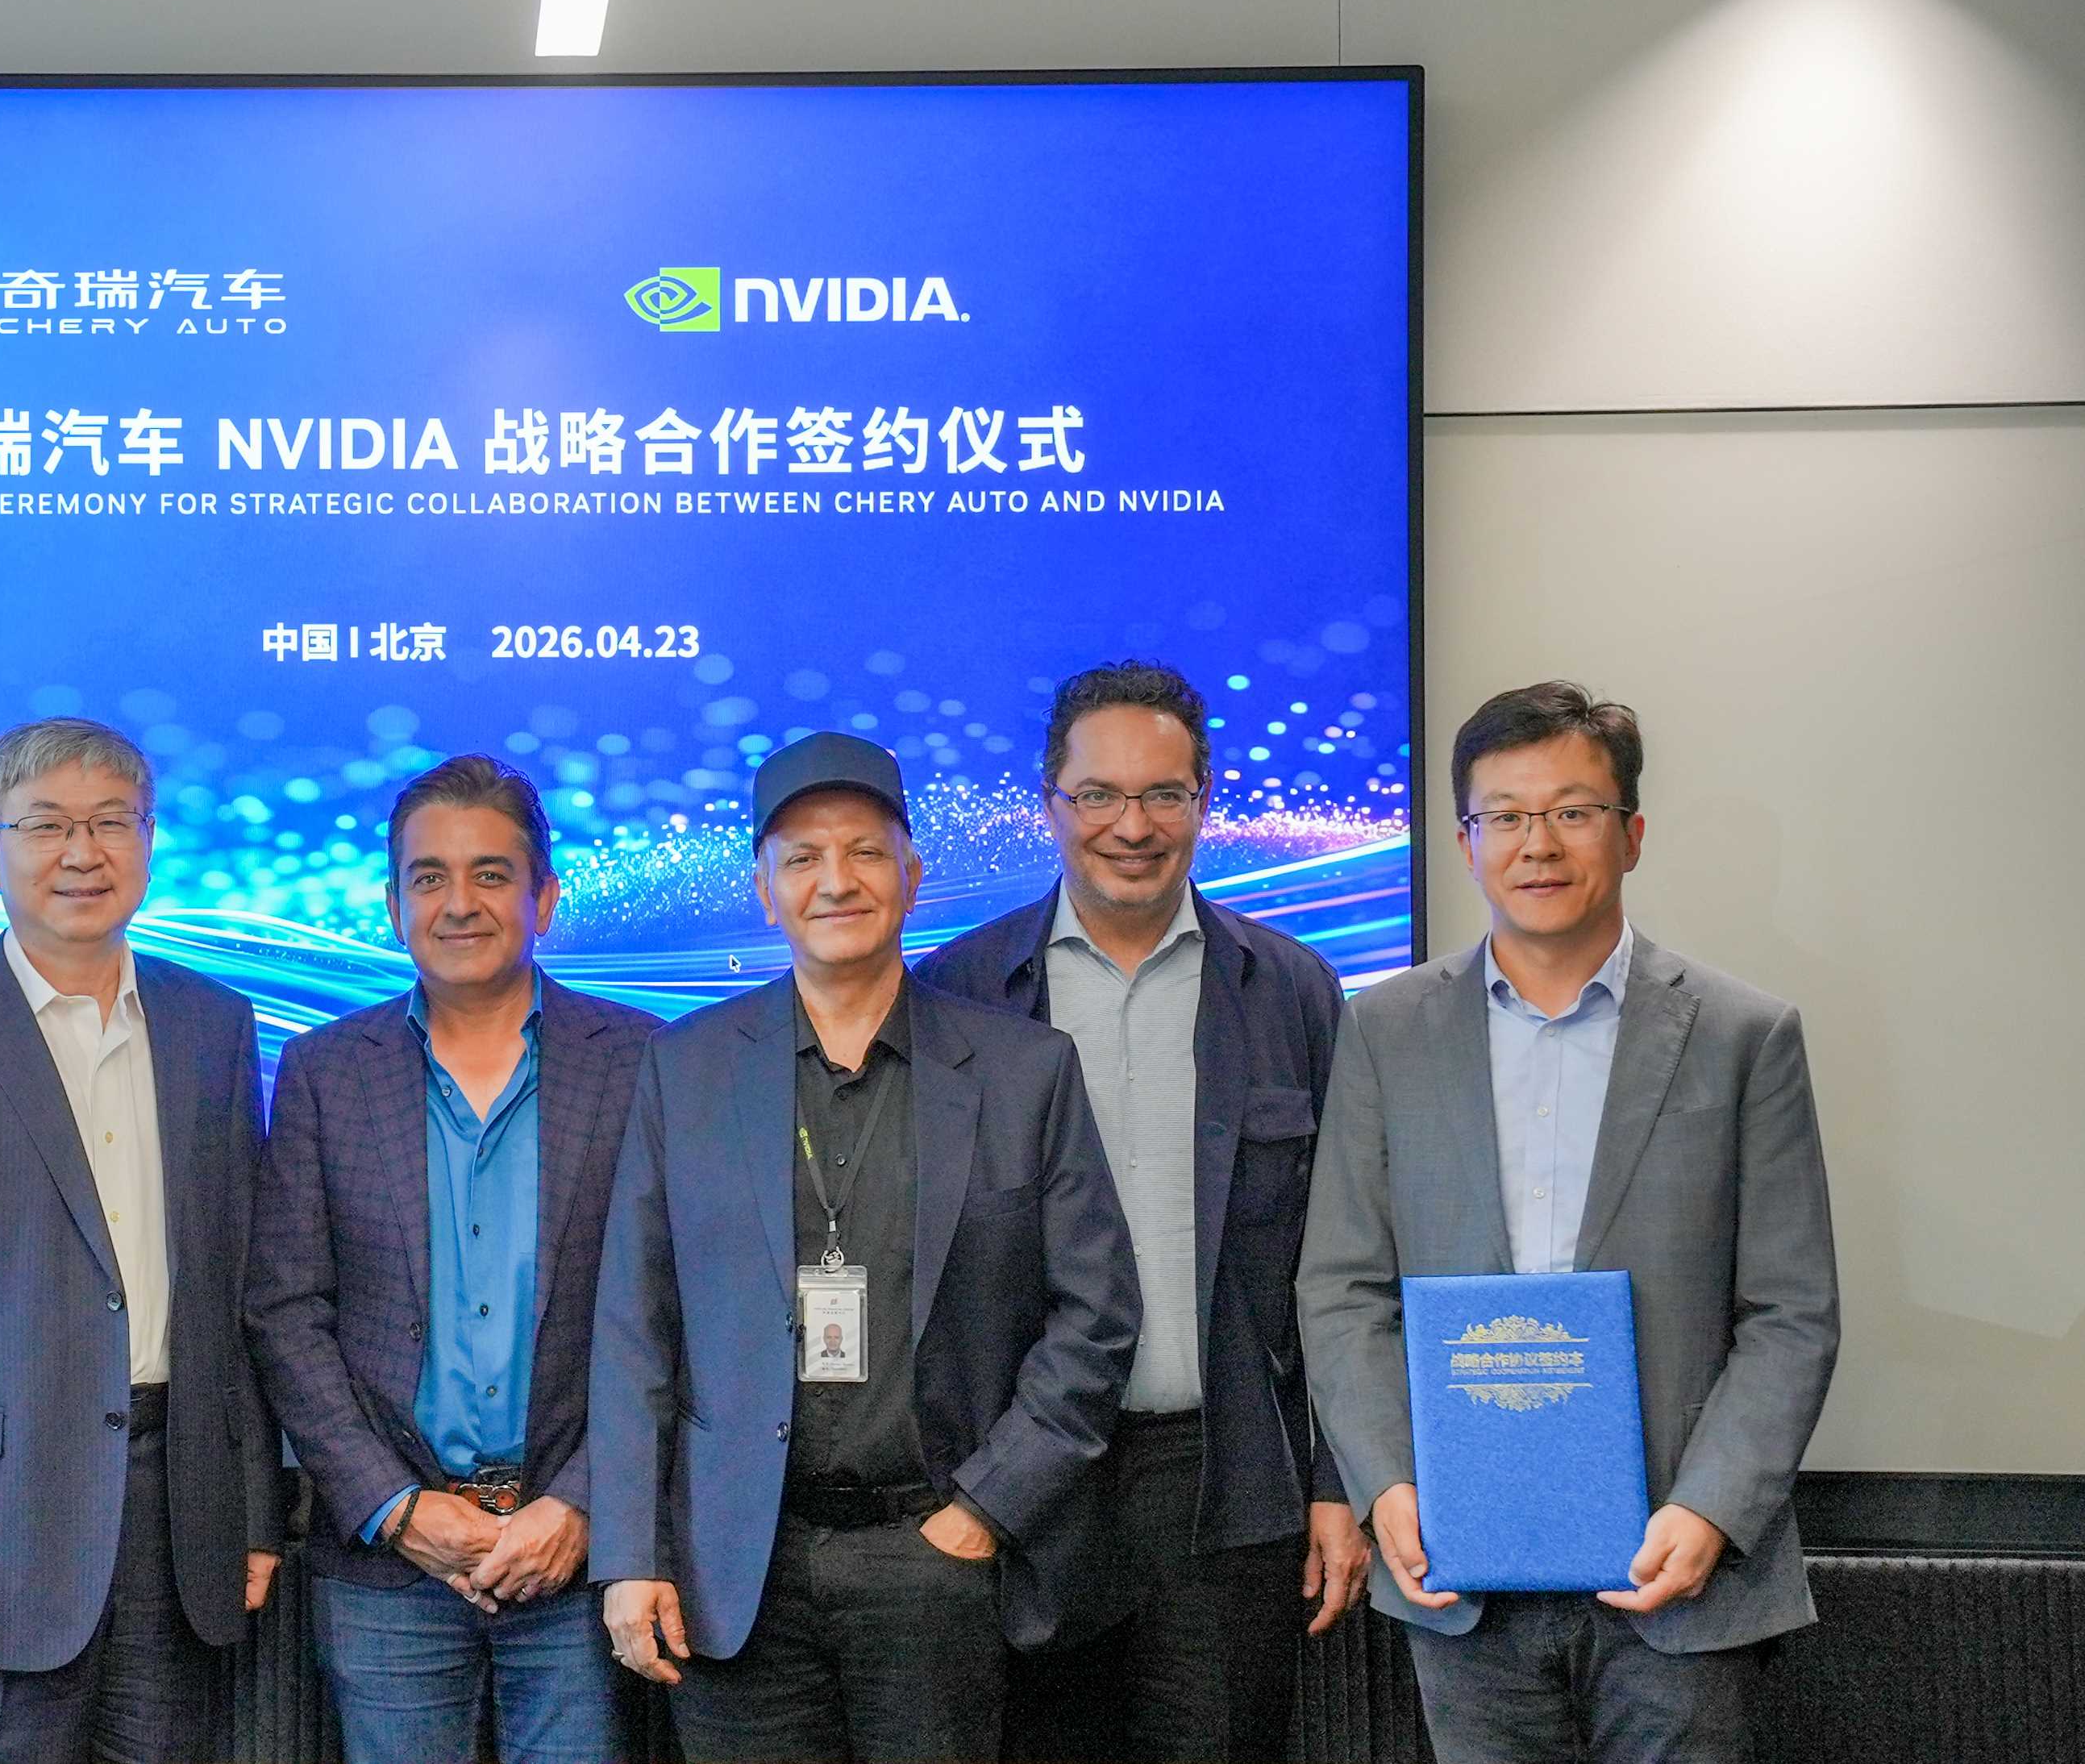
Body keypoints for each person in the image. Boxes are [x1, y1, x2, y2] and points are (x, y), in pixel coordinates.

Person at [1298, 683, 1842, 1764]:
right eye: (1502, 814)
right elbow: (1340, 1285)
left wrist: (1711, 1510)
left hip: (1674, 1572)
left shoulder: (1742, 1036)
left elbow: (1790, 1311)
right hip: (1459, 1565)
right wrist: (1386, 1481)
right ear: (1464, 842)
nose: (1535, 843)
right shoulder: (1385, 1030)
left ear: (1629, 835)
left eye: (1571, 811)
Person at [591, 730, 1142, 1764]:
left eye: (863, 851)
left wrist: (981, 1513)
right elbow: (633, 1327)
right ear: (764, 890)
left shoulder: (1023, 1070)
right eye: (801, 857)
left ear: (911, 875)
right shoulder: (685, 1068)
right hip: (735, 1567)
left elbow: (1095, 1316)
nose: (835, 880)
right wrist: (629, 1552)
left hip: (932, 1556)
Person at [915, 663, 1365, 1762]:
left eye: (1163, 793)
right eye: (1097, 794)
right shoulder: (956, 995)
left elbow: (1347, 1263)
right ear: (1048, 803)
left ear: (1203, 800)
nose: (1131, 826)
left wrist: (1337, 1484)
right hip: (1017, 1489)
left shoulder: (1291, 991)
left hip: (1225, 1482)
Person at [0, 718, 283, 1764]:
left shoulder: (213, 1024)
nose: (82, 852)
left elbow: (235, 1287)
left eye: (110, 822)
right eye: (46, 825)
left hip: (180, 1525)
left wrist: (254, 1509)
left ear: (149, 840)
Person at [247, 754, 664, 1764]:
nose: (458, 902)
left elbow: (676, 1305)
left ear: (544, 898)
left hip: (577, 1556)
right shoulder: (323, 1071)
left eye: (490, 873)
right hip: (389, 1568)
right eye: (428, 876)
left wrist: (580, 1500)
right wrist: (393, 1507)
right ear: (393, 906)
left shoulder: (646, 1059)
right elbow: (285, 1311)